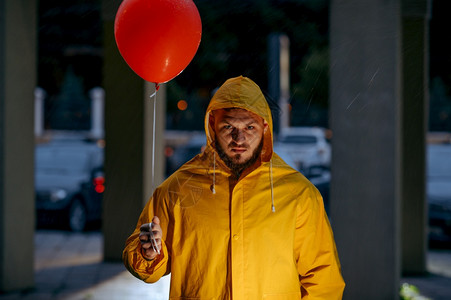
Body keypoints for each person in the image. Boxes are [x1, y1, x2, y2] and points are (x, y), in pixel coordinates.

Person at [123, 76, 345, 299]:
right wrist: (148, 254)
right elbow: (144, 266)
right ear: (212, 125)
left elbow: (323, 281)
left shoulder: (299, 194)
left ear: (265, 128)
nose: (239, 139)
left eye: (250, 127)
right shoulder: (178, 189)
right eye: (228, 126)